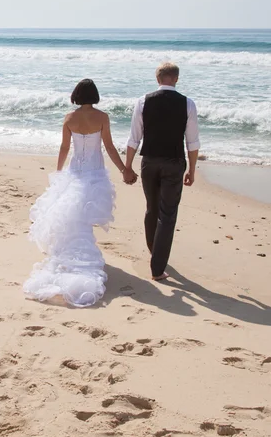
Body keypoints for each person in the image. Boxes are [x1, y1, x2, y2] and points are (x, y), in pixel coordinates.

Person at [23, 79, 137, 307]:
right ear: (94, 95)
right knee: (83, 216)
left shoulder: (69, 118)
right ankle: (83, 258)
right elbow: (109, 147)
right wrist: (124, 169)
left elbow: (65, 147)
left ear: (76, 95)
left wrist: (58, 172)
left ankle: (71, 254)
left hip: (75, 171)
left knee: (73, 215)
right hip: (94, 172)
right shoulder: (102, 117)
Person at [123, 63, 200, 281]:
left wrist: (127, 166)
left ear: (158, 79)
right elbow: (192, 142)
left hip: (149, 162)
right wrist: (192, 170)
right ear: (176, 79)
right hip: (174, 163)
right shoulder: (188, 103)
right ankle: (157, 268)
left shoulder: (143, 101)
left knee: (151, 208)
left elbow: (134, 138)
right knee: (168, 215)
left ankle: (154, 250)